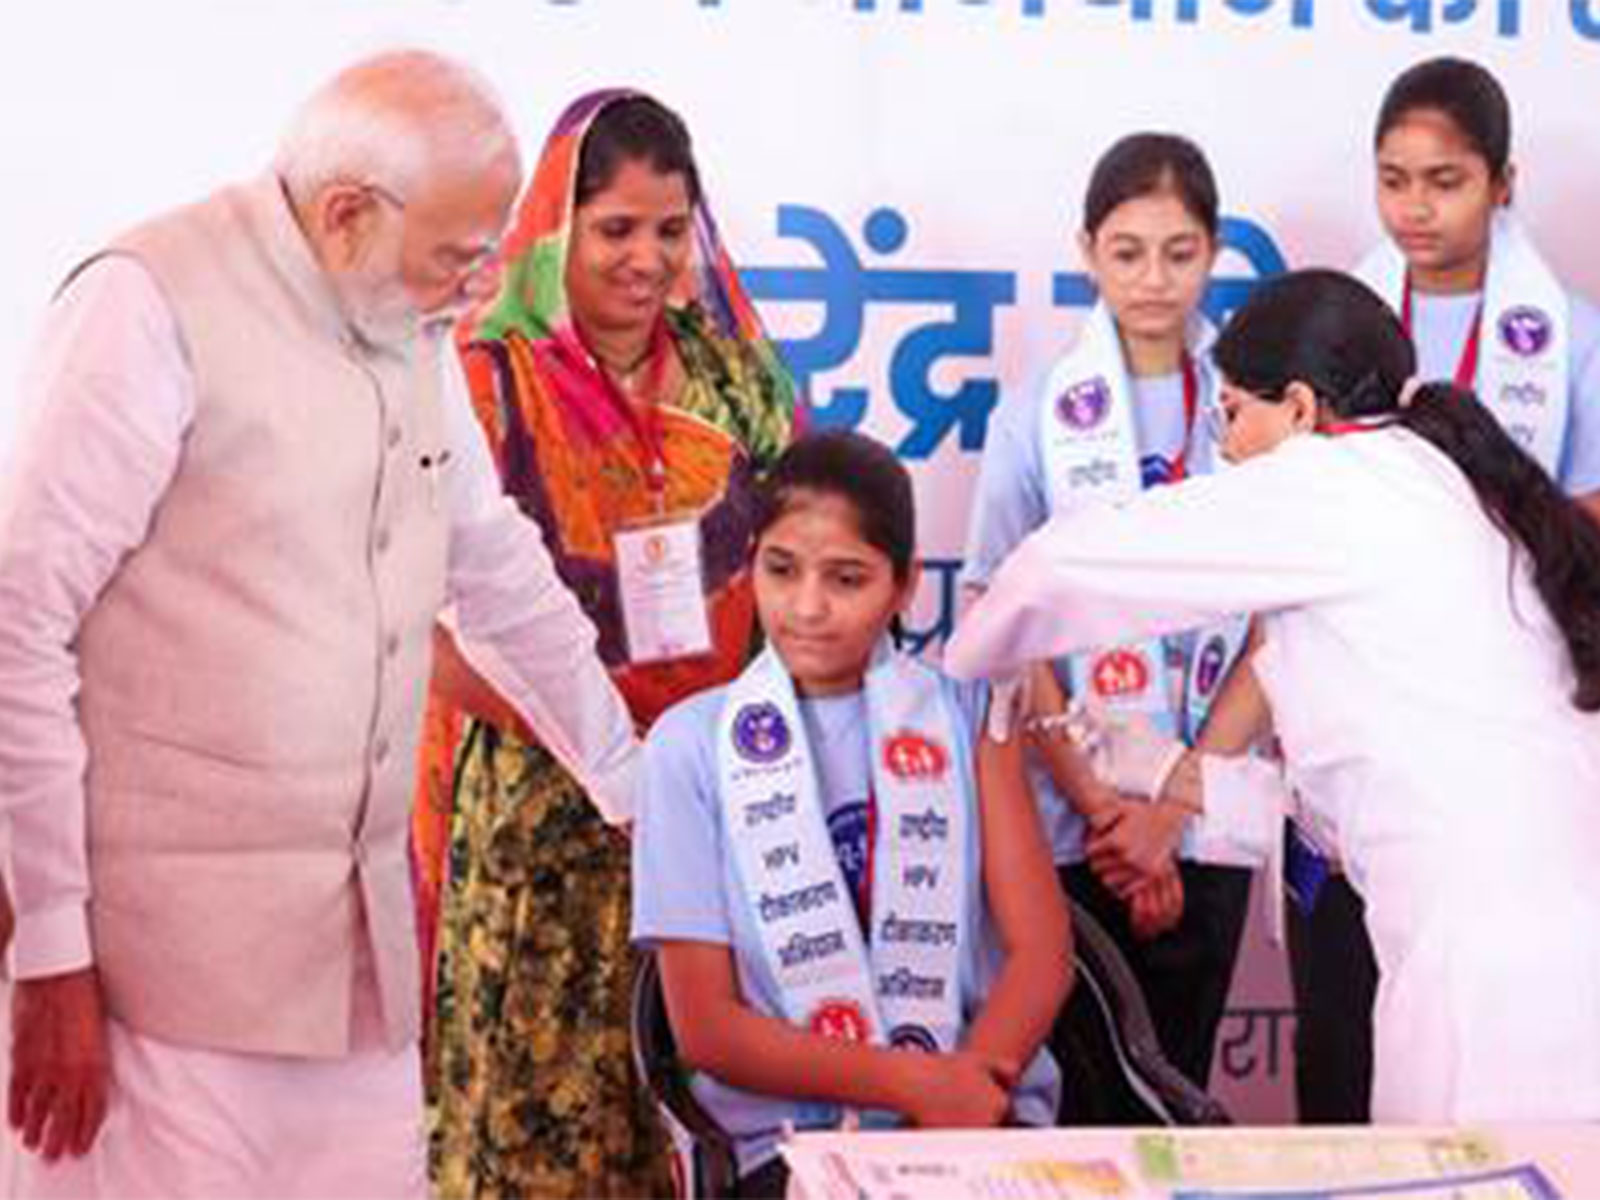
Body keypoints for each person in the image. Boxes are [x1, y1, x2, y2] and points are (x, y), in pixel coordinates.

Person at [0, 51, 642, 1200]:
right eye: (456, 256)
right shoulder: (148, 302)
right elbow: (15, 621)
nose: (480, 290)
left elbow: (493, 569)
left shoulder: (402, 317)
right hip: (157, 984)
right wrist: (51, 951)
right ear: (347, 213)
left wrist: (635, 784)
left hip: (354, 971)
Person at [948, 268, 1600, 1122]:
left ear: (1297, 407)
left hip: (1497, 986)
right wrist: (1158, 768)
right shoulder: (1443, 488)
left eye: (1231, 415)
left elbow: (1061, 567)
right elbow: (1345, 814)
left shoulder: (1340, 482)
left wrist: (967, 670)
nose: (1226, 444)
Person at [421, 90, 798, 1199]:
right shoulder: (485, 385)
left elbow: (799, 573)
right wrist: (601, 735)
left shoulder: (739, 382)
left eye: (670, 230)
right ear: (557, 229)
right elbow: (425, 634)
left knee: (680, 1113)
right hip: (533, 814)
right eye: (616, 229)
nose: (646, 260)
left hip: (708, 810)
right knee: (525, 1123)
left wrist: (688, 752)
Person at [1268, 55, 1600, 1123]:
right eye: (1393, 178)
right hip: (1360, 729)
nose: (1414, 207)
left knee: (1489, 1057)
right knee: (1342, 1036)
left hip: (1503, 740)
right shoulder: (1327, 331)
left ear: (1503, 183)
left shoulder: (1575, 346)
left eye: (1444, 180)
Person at [633, 430, 1071, 1198]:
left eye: (847, 579)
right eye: (781, 569)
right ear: (750, 566)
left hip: (978, 1122)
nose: (808, 608)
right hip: (789, 1143)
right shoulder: (688, 746)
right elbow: (704, 1025)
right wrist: (915, 1087)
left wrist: (962, 1097)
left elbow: (1041, 956)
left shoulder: (969, 714)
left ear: (903, 587)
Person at [962, 132, 1254, 1093]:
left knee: (1183, 1094)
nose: (1154, 281)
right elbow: (1000, 619)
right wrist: (1103, 807)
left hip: (1205, 821)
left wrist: (1171, 807)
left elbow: (1274, 626)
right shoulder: (1035, 413)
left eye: (1180, 252)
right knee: (1079, 1097)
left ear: (1213, 251)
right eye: (1127, 252)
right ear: (1087, 250)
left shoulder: (1247, 414)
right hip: (1069, 825)